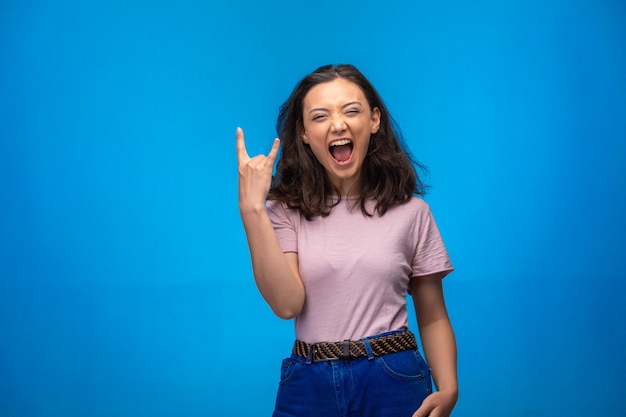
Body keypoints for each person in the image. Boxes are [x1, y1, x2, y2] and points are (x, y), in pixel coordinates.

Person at [236, 64, 457, 417]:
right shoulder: (285, 212)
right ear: (305, 133)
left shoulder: (413, 212)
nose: (337, 124)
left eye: (350, 111)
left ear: (374, 120)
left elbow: (431, 315)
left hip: (393, 377)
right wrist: (252, 210)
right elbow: (286, 304)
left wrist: (448, 389)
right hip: (308, 381)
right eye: (320, 116)